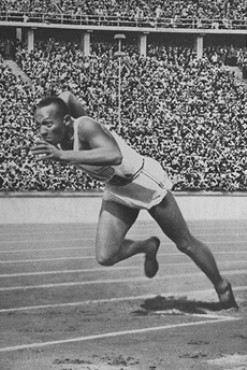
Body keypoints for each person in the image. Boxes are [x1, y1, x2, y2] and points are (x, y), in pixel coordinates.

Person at [31, 91, 238, 310]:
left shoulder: (84, 127)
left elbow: (114, 155)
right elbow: (67, 96)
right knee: (105, 256)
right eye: (39, 125)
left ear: (64, 120)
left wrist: (63, 155)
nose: (42, 131)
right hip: (117, 191)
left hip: (142, 182)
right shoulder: (61, 138)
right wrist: (57, 117)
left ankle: (223, 287)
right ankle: (147, 246)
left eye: (47, 124)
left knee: (184, 243)